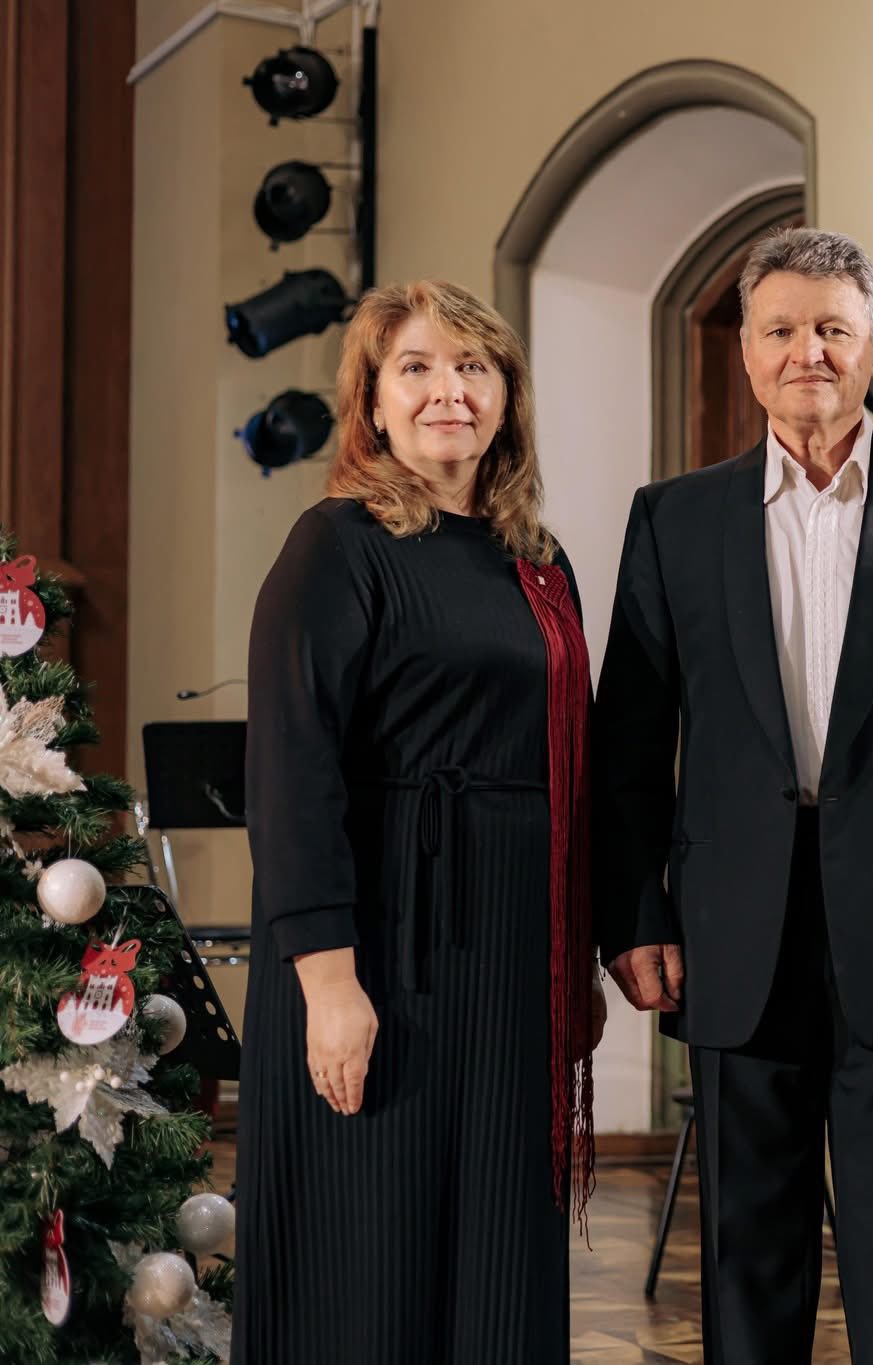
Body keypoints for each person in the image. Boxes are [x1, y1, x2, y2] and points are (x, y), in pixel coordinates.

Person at [592, 227, 873, 1362]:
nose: (809, 352)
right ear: (747, 352)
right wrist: (635, 916)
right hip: (729, 928)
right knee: (747, 1249)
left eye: (834, 329)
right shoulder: (672, 520)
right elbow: (629, 744)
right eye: (783, 330)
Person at [237, 280, 601, 1364]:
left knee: (497, 1251)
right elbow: (291, 771)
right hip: (381, 953)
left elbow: (569, 767)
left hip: (511, 964)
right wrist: (327, 982)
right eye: (418, 368)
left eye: (474, 367)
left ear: (507, 398)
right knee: (373, 1251)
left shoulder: (541, 564)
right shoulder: (336, 545)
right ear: (373, 403)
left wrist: (573, 961)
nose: (450, 390)